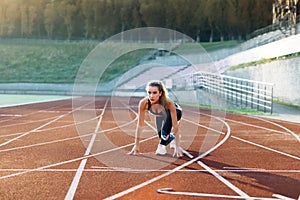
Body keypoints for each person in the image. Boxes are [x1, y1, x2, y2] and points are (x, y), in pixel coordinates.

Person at [128, 80, 183, 157]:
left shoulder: (168, 103)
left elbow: (175, 125)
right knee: (163, 136)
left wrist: (177, 146)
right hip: (160, 116)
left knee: (167, 121)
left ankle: (161, 146)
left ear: (160, 93)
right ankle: (171, 138)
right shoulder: (144, 103)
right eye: (149, 93)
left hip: (176, 112)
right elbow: (140, 125)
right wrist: (136, 145)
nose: (151, 96)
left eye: (154, 93)